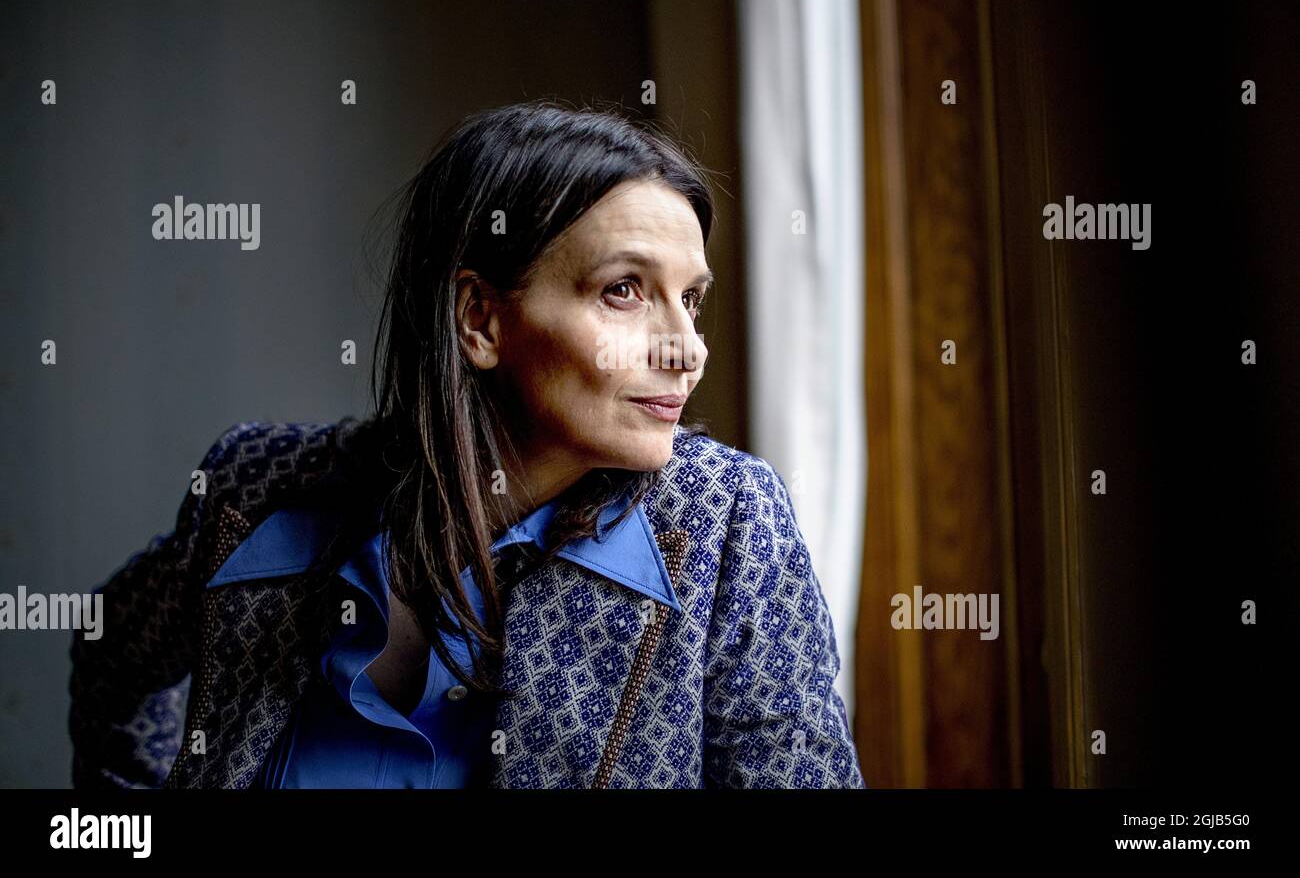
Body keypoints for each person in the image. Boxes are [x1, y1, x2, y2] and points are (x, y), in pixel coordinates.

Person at [68, 101, 866, 789]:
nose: (686, 347)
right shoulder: (259, 489)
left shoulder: (722, 524)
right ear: (480, 320)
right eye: (625, 290)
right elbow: (113, 657)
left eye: (690, 299)